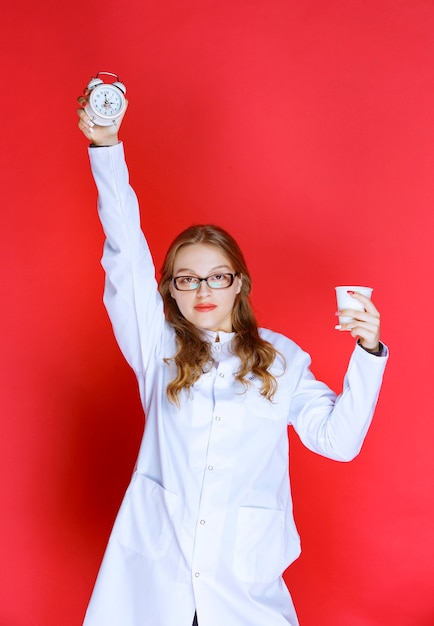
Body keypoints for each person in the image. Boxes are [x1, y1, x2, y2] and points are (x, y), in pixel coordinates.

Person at [77, 92, 388, 626]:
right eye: (187, 278)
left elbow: (338, 442)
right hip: (156, 572)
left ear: (239, 282)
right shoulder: (158, 347)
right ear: (168, 291)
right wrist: (106, 148)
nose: (203, 289)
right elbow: (125, 249)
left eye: (217, 276)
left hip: (244, 583)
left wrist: (367, 351)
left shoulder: (281, 358)